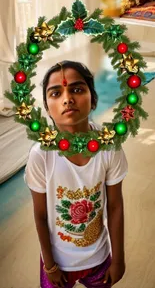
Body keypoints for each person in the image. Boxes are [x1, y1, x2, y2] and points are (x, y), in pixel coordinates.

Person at [24, 60, 128, 288]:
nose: (67, 99)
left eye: (77, 89)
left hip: (99, 258)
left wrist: (118, 259)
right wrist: (49, 265)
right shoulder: (41, 155)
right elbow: (41, 216)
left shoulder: (109, 146)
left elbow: (115, 206)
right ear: (47, 106)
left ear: (93, 100)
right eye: (55, 93)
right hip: (58, 263)